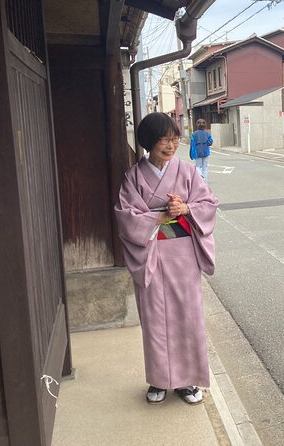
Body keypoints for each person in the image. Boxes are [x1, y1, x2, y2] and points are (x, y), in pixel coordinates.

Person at [115, 112, 219, 406]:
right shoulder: (133, 177)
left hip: (183, 254)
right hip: (151, 254)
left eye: (174, 139)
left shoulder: (186, 171)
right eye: (165, 140)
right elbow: (126, 217)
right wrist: (161, 215)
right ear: (149, 142)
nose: (171, 145)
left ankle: (186, 382)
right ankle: (159, 380)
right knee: (154, 319)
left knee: (187, 318)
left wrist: (186, 208)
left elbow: (209, 203)